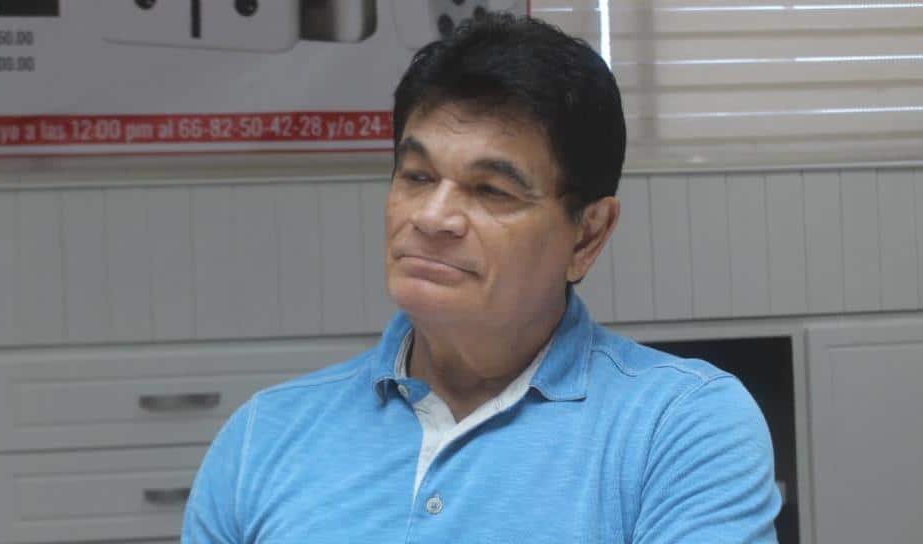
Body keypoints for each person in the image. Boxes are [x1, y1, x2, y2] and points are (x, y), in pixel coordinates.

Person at [181, 13, 782, 543]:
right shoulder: (265, 434)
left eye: (491, 190)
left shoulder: (678, 425)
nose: (432, 217)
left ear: (588, 235)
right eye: (417, 176)